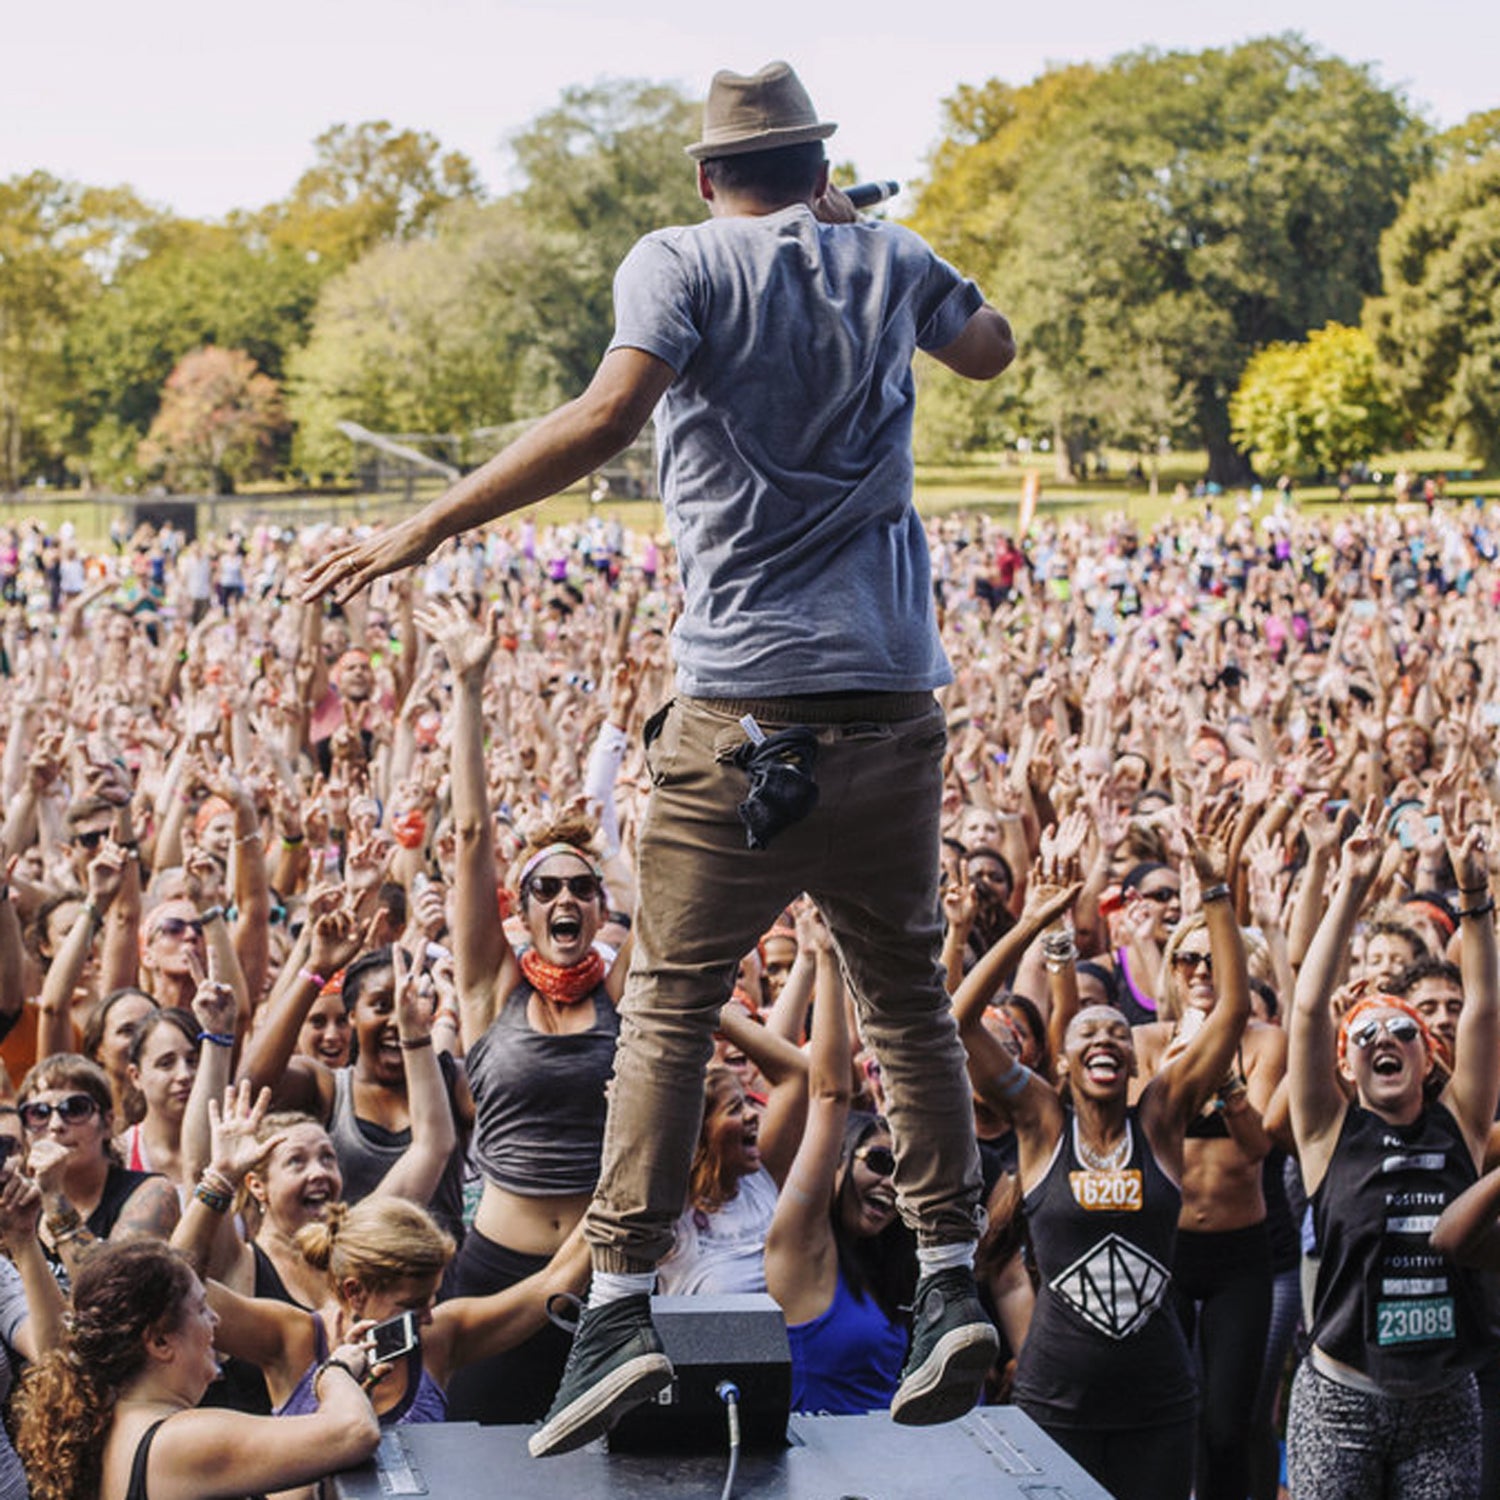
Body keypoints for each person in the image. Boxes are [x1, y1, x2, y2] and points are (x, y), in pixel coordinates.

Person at [303, 57, 1014, 1458]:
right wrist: (881, 243)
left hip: (742, 706)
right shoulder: (893, 255)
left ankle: (622, 1300)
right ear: (821, 165)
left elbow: (608, 415)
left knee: (672, 1008)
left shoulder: (676, 260)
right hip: (889, 699)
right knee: (905, 999)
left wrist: (427, 526)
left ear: (705, 174)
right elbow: (988, 348)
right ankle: (947, 1277)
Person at [972, 830, 1250, 1500]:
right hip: (1053, 1400)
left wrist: (1216, 892)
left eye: (1119, 1033)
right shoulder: (1041, 1124)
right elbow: (958, 1023)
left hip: (1158, 1404)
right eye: (1087, 1033)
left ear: (1132, 1060)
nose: (1105, 1039)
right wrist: (1032, 924)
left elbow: (1234, 1010)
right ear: (1064, 1062)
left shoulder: (1160, 1119)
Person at [1285, 810, 1497, 1498]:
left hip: (1443, 1401)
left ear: (1427, 1056)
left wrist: (1474, 897)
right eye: (1366, 1033)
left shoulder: (1460, 1122)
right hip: (1340, 1397)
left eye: (1403, 1031)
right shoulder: (1326, 1131)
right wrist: (1350, 884)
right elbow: (1308, 1011)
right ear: (1346, 1067)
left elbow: (1483, 1010)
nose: (1385, 1038)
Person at [13, 1239, 381, 1500]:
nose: (216, 1320)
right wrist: (335, 1370)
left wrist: (341, 1397)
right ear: (159, 1342)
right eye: (202, 1309)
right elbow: (355, 1432)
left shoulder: (111, 1424)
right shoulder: (179, 1441)